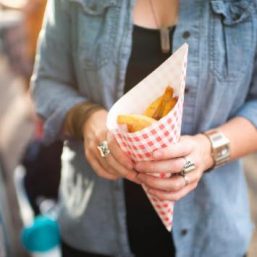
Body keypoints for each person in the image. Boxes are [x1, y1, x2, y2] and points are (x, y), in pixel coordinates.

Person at [31, 0, 257, 256]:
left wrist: (209, 150)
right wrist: (87, 120)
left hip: (213, 235)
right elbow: (47, 82)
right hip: (94, 231)